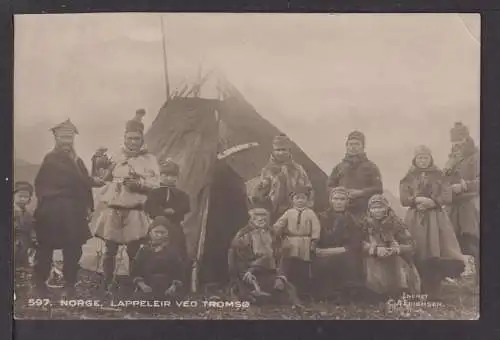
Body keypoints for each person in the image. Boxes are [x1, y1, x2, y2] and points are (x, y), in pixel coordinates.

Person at [33, 119, 104, 297]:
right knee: (45, 247)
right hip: (53, 210)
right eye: (63, 137)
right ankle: (40, 284)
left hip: (73, 211)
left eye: (70, 137)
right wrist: (91, 180)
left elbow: (84, 185)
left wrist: (89, 207)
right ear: (55, 138)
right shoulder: (52, 159)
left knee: (73, 248)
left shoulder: (77, 160)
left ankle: (69, 284)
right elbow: (76, 179)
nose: (67, 141)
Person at [93, 109, 160, 293]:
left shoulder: (149, 160)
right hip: (114, 209)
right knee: (110, 250)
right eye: (129, 138)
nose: (132, 142)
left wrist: (139, 184)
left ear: (142, 140)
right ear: (124, 138)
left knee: (134, 251)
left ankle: (134, 283)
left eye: (136, 139)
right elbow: (105, 178)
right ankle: (107, 282)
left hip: (135, 210)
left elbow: (155, 183)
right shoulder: (116, 156)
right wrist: (100, 164)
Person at [400, 145, 464, 299]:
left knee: (435, 250)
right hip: (415, 217)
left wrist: (433, 202)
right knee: (417, 248)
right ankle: (417, 284)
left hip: (435, 218)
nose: (423, 161)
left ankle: (434, 286)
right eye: (420, 158)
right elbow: (403, 198)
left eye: (425, 157)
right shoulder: (408, 177)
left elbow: (447, 195)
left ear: (431, 159)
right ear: (415, 159)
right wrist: (416, 199)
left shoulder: (439, 175)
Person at [228, 201, 301, 306]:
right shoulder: (243, 236)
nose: (261, 218)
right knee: (247, 294)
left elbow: (282, 257)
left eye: (264, 215)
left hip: (270, 274)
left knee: (288, 291)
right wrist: (245, 273)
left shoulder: (274, 235)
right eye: (257, 215)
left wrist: (280, 277)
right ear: (251, 216)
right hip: (251, 275)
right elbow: (237, 259)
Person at [361, 194, 421, 300]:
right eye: (374, 208)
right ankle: (375, 292)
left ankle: (398, 290)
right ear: (369, 210)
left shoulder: (396, 223)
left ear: (386, 208)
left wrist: (396, 249)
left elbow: (411, 245)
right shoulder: (364, 224)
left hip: (394, 257)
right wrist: (374, 249)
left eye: (380, 207)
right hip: (373, 257)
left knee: (398, 269)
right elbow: (358, 244)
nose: (377, 211)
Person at [443, 122, 480, 287]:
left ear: (466, 138)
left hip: (469, 205)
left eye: (460, 139)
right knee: (452, 242)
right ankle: (455, 276)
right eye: (454, 140)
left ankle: (481, 280)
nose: (456, 144)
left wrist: (464, 186)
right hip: (452, 206)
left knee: (473, 242)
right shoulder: (451, 159)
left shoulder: (476, 157)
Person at [314, 187, 365, 301]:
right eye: (335, 199)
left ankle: (346, 292)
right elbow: (316, 238)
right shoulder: (321, 217)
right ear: (330, 200)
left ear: (347, 202)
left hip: (344, 253)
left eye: (342, 199)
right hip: (323, 253)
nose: (338, 202)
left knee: (349, 259)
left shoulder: (353, 220)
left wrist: (336, 250)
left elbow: (356, 243)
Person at [252, 134, 313, 223]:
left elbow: (308, 188)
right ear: (273, 151)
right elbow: (260, 193)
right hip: (274, 210)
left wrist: (306, 207)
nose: (281, 153)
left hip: (294, 210)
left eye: (284, 149)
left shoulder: (297, 169)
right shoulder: (267, 170)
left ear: (289, 150)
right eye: (278, 150)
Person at [273, 186, 320, 298]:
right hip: (291, 240)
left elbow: (316, 227)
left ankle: (303, 290)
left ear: (307, 200)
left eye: (303, 198)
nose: (300, 200)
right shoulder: (289, 212)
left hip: (305, 241)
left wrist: (314, 240)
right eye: (297, 198)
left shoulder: (310, 213)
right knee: (287, 261)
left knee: (303, 265)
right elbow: (280, 223)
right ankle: (284, 285)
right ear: (292, 200)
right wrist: (275, 230)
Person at [327, 131, 383, 218]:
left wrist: (361, 192)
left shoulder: (371, 167)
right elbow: (329, 186)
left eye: (357, 144)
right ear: (347, 146)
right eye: (351, 144)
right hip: (342, 213)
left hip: (364, 212)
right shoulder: (339, 167)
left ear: (363, 147)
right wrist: (340, 193)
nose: (353, 147)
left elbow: (379, 189)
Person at [144, 159, 190, 263]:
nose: (168, 178)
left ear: (176, 178)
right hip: (157, 227)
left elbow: (185, 207)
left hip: (175, 226)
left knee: (177, 251)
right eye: (165, 175)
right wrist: (163, 212)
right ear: (160, 176)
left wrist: (175, 211)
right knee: (153, 252)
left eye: (172, 176)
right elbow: (150, 208)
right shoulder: (154, 193)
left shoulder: (182, 195)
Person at [131, 216, 185, 299]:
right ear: (150, 233)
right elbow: (135, 270)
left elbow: (179, 272)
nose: (159, 235)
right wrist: (143, 286)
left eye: (163, 232)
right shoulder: (143, 250)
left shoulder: (173, 252)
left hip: (167, 289)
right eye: (156, 232)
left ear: (168, 234)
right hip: (147, 288)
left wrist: (173, 287)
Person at [13, 181, 35, 270]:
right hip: (13, 236)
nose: (23, 199)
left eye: (26, 197)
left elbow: (30, 225)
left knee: (24, 246)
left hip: (23, 237)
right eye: (20, 196)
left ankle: (21, 264)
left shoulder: (27, 212)